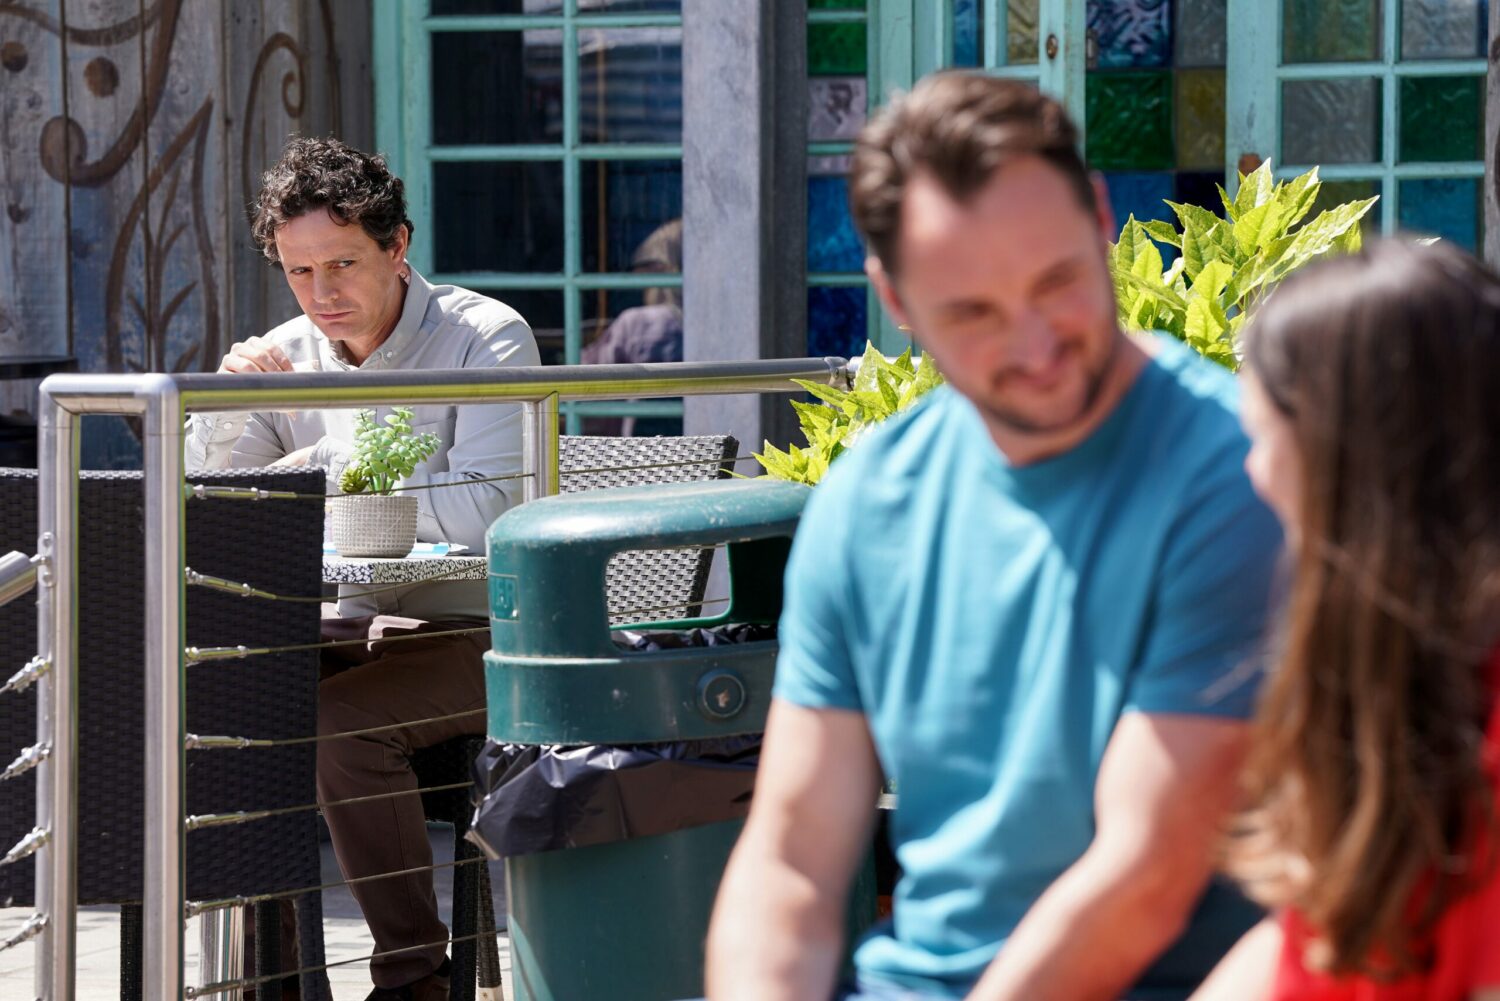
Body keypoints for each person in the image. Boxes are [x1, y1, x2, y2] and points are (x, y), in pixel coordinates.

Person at [704, 72, 1283, 1000]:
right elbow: (792, 861)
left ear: (1100, 216)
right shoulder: (868, 502)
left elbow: (1145, 875)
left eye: (1057, 282)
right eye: (972, 312)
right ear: (894, 299)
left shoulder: (1238, 477)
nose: (1035, 343)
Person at [186, 136, 540, 1001]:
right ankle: (264, 973)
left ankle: (412, 977)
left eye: (342, 263)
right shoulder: (283, 354)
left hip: (484, 634)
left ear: (398, 246)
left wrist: (327, 484)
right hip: (348, 624)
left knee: (340, 722)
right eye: (299, 272)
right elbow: (219, 508)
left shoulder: (485, 338)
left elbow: (489, 513)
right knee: (225, 691)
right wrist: (231, 414)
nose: (321, 294)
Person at [1191, 239, 1500, 1001]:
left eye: (1263, 440)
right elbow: (1309, 944)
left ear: (1349, 461)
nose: (1251, 473)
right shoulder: (1412, 686)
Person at [582, 218, 684, 436]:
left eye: (649, 271)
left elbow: (587, 380)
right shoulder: (702, 324)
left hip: (638, 448)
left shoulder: (640, 323)